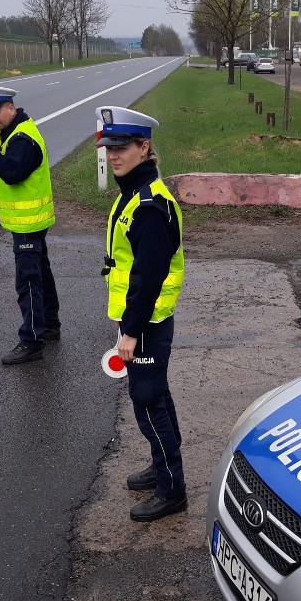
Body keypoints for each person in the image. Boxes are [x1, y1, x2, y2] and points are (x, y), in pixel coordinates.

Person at [96, 106, 187, 523]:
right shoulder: (134, 192)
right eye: (109, 147)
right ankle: (162, 466)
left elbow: (148, 278)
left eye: (122, 147)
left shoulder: (148, 205)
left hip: (146, 323)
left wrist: (129, 333)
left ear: (143, 147)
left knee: (148, 400)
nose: (113, 155)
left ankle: (171, 489)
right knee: (155, 396)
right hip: (140, 320)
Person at [0, 86, 59, 365]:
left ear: (11, 107)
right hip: (26, 220)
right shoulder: (7, 131)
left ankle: (31, 341)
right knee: (40, 272)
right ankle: (50, 325)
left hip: (28, 222)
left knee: (28, 280)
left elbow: (10, 173)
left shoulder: (23, 139)